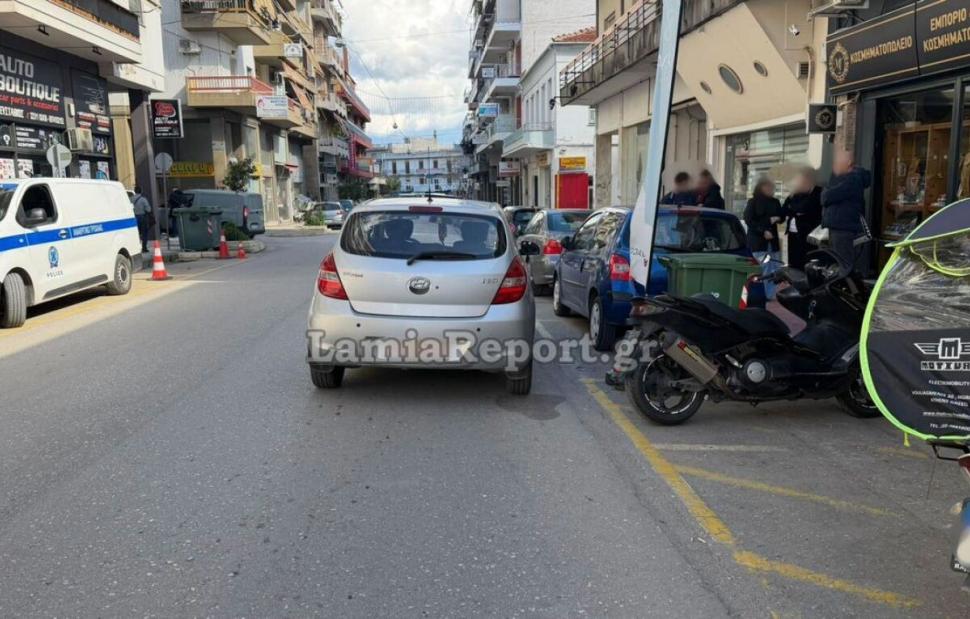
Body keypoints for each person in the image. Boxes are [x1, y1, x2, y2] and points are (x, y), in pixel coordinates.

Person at [821, 151, 871, 267]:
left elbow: (826, 196)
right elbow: (824, 196)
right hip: (836, 228)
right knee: (836, 263)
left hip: (844, 229)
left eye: (839, 160)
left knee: (843, 263)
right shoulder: (840, 177)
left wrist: (827, 192)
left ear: (848, 162)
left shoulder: (853, 178)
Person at [744, 177, 783, 299]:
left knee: (774, 267)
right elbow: (749, 220)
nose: (772, 190)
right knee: (761, 267)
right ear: (762, 188)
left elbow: (782, 216)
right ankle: (760, 294)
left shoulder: (775, 202)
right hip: (758, 242)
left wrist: (778, 218)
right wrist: (764, 229)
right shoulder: (753, 202)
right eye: (769, 187)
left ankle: (769, 294)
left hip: (772, 241)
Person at [782, 168, 823, 270]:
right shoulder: (796, 193)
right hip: (793, 232)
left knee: (807, 259)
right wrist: (795, 210)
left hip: (808, 232)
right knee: (793, 260)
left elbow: (805, 207)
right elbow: (785, 209)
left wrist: (794, 209)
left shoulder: (818, 192)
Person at [130, 185, 152, 253]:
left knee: (135, 233)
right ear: (141, 191)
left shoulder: (130, 199)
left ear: (135, 191)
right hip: (142, 217)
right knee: (144, 233)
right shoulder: (143, 199)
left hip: (133, 218)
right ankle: (144, 248)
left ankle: (135, 248)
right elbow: (148, 210)